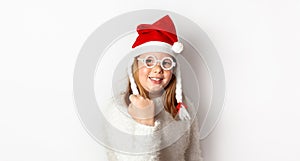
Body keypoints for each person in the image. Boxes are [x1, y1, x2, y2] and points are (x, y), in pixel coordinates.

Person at [101, 15, 203, 161]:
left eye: (166, 63)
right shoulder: (118, 109)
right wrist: (146, 122)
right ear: (135, 66)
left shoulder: (184, 108)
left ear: (174, 70)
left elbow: (194, 156)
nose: (157, 69)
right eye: (149, 61)